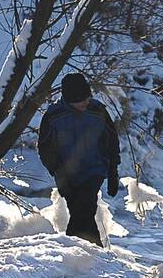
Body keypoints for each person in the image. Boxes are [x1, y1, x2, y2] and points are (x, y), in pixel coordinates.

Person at [38, 72, 121, 246]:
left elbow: (112, 142)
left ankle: (73, 248)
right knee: (80, 213)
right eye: (81, 99)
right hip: (67, 175)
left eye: (87, 97)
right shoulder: (54, 116)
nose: (86, 102)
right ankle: (91, 253)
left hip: (94, 170)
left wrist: (113, 173)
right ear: (69, 99)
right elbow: (45, 148)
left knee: (85, 207)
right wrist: (58, 172)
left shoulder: (97, 111)